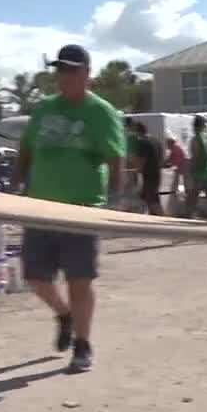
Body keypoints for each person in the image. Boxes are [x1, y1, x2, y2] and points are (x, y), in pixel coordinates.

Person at [11, 44, 125, 374]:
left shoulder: (100, 111)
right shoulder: (45, 108)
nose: (65, 76)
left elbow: (116, 159)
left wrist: (117, 201)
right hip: (40, 205)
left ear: (87, 73)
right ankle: (63, 314)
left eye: (72, 70)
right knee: (34, 276)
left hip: (82, 208)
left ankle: (83, 344)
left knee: (80, 279)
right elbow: (27, 148)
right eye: (60, 69)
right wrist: (16, 182)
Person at [182, 114, 207, 223]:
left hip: (200, 171)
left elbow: (197, 155)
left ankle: (188, 214)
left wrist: (193, 169)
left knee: (193, 195)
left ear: (195, 126)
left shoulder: (197, 139)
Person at [127, 121, 165, 215]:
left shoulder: (142, 142)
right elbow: (162, 157)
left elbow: (141, 160)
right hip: (157, 173)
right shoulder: (156, 140)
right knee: (153, 198)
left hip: (148, 174)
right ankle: (157, 217)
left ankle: (160, 218)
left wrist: (136, 170)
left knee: (151, 199)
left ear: (137, 131)